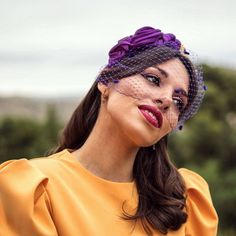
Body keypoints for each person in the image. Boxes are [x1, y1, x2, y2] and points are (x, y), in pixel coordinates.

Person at [0, 26, 218, 236]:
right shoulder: (34, 190)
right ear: (106, 82)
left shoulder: (187, 200)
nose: (167, 100)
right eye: (153, 79)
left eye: (179, 102)